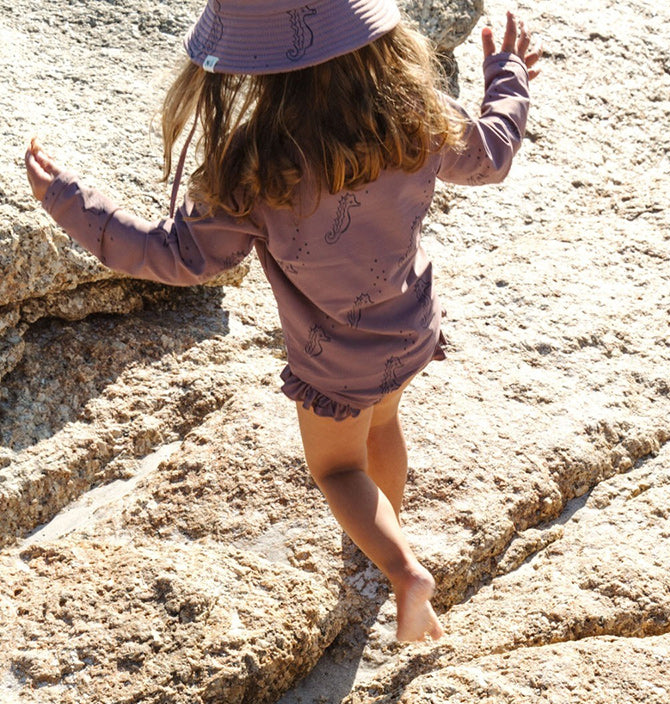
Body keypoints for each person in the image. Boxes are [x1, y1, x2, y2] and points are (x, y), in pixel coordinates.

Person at [25, 0, 541, 642]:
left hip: (334, 362)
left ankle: (405, 573)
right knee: (384, 423)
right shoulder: (416, 114)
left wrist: (70, 202)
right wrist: (507, 76)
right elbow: (492, 153)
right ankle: (383, 537)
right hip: (412, 325)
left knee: (336, 470)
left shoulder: (255, 171)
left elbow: (175, 256)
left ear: (249, 64)